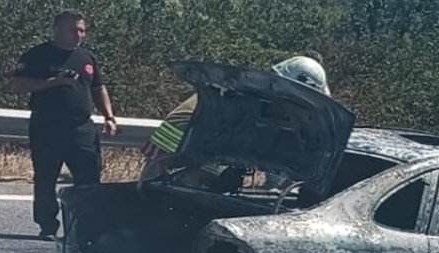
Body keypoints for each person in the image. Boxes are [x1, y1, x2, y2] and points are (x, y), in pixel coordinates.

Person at [138, 53, 331, 184]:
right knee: (160, 197)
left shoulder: (250, 96)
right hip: (178, 144)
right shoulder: (247, 102)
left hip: (187, 145)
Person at [10, 10, 118, 239]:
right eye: (73, 30)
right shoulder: (38, 54)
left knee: (89, 180)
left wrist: (109, 116)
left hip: (81, 127)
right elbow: (18, 84)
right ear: (57, 29)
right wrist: (54, 82)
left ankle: (84, 228)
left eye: (82, 30)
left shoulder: (87, 58)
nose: (78, 34)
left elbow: (99, 88)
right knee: (46, 177)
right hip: (47, 125)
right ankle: (47, 225)